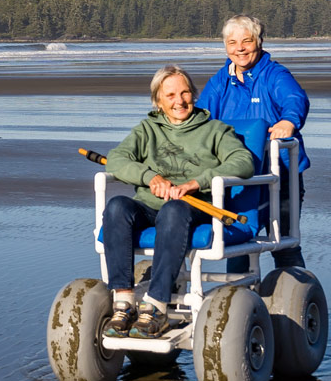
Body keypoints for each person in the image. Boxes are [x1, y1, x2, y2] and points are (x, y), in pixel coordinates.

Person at [101, 65, 255, 338]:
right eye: (170, 95)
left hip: (193, 207)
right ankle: (123, 301)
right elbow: (116, 159)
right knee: (116, 207)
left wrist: (197, 182)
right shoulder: (147, 129)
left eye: (185, 93)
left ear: (194, 95)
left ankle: (158, 305)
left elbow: (243, 162)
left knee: (172, 211)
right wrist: (150, 177)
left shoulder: (215, 130)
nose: (179, 101)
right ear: (158, 101)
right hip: (149, 205)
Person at [196, 15, 311, 269]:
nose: (240, 48)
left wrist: (288, 122)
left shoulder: (274, 75)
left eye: (246, 41)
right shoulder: (220, 81)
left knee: (284, 244)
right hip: (235, 179)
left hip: (279, 175)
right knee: (237, 242)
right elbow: (200, 116)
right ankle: (241, 298)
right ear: (225, 45)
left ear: (259, 42)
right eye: (233, 42)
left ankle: (296, 299)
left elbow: (295, 99)